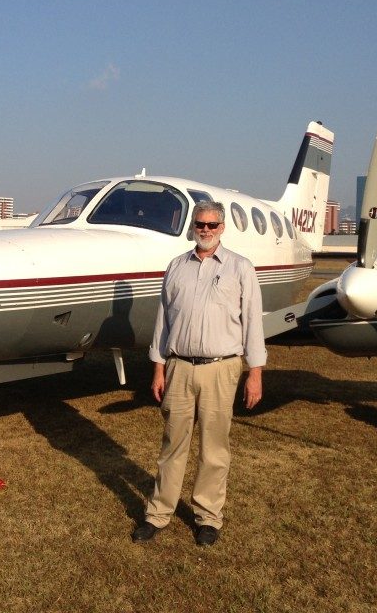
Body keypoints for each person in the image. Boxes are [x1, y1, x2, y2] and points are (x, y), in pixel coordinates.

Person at [131, 200, 266, 547]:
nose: (205, 230)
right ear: (192, 226)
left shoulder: (240, 268)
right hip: (178, 367)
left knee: (214, 448)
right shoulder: (176, 267)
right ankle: (158, 514)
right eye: (200, 224)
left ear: (222, 228)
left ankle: (208, 516)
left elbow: (252, 323)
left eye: (212, 225)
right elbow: (164, 322)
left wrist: (255, 373)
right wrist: (158, 367)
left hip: (221, 369)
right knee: (171, 446)